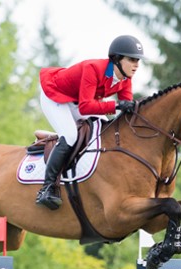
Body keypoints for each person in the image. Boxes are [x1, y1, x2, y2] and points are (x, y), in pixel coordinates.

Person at [35, 35, 145, 210]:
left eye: (138, 60)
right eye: (132, 60)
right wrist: (117, 105)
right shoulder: (93, 68)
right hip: (55, 96)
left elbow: (126, 110)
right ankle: (47, 187)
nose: (137, 65)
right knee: (70, 136)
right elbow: (87, 107)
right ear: (117, 59)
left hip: (78, 102)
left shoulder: (125, 79)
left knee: (105, 130)